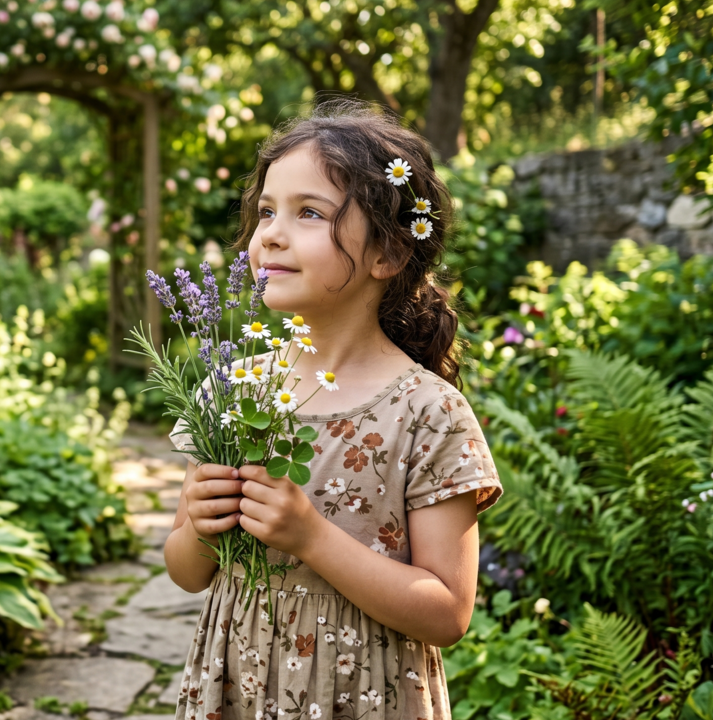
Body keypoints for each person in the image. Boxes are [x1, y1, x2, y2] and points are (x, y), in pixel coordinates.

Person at [164, 100, 504, 720]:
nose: (269, 233)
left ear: (388, 256)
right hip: (240, 684)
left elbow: (449, 612)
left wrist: (312, 538)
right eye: (266, 211)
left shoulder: (429, 414)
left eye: (309, 213)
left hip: (365, 696)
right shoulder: (234, 391)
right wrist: (199, 527)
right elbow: (186, 571)